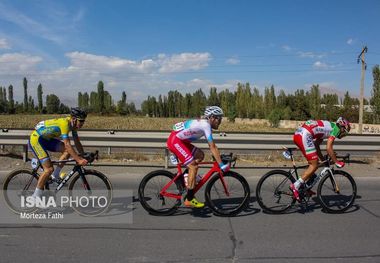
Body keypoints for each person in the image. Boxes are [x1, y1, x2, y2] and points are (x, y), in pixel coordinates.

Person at [166, 106, 230, 208]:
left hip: (181, 141)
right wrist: (221, 165)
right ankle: (189, 199)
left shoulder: (204, 123)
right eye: (219, 119)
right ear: (212, 117)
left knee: (200, 155)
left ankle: (185, 178)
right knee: (193, 166)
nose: (220, 121)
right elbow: (212, 146)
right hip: (176, 141)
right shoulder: (205, 125)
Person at [29, 107, 88, 200]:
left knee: (67, 151)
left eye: (83, 121)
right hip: (36, 140)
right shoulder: (65, 124)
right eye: (81, 121)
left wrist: (83, 154)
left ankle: (55, 176)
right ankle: (35, 197)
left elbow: (76, 141)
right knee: (48, 169)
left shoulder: (73, 126)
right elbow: (67, 144)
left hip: (46, 139)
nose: (82, 124)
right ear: (74, 119)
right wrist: (78, 160)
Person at [291, 117, 351, 201]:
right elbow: (329, 147)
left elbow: (316, 145)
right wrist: (336, 162)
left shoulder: (327, 128)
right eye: (344, 131)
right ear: (341, 127)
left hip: (299, 134)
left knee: (314, 163)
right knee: (314, 165)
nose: (343, 134)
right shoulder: (335, 129)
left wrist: (323, 159)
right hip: (305, 134)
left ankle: (305, 188)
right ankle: (296, 186)